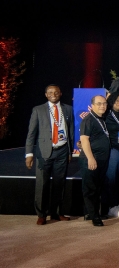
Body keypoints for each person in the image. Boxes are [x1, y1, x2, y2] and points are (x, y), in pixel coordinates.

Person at [25, 85, 74, 225]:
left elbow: (70, 131)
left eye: (56, 92)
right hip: (44, 151)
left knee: (59, 183)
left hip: (62, 151)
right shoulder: (38, 110)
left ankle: (56, 213)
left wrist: (69, 152)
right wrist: (29, 154)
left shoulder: (68, 109)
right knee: (42, 184)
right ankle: (42, 214)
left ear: (61, 93)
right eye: (50, 92)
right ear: (46, 95)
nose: (54, 94)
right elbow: (31, 134)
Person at [79, 95, 111, 226]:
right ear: (92, 106)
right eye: (99, 103)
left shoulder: (101, 118)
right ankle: (94, 217)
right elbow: (84, 140)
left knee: (98, 188)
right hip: (92, 159)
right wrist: (90, 158)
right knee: (90, 189)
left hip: (102, 159)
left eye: (104, 103)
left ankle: (94, 213)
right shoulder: (88, 120)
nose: (102, 106)